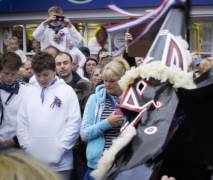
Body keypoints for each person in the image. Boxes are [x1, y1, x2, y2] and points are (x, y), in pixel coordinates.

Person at [16, 52, 81, 180]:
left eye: (46, 74)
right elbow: (21, 124)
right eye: (38, 75)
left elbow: (74, 123)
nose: (42, 79)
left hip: (61, 164)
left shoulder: (67, 91)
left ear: (54, 70)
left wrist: (59, 149)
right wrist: (29, 149)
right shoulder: (28, 92)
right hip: (34, 163)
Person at [80, 57, 129, 180]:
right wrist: (107, 123)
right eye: (105, 80)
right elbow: (84, 134)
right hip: (97, 166)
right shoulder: (94, 99)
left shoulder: (131, 100)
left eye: (112, 81)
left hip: (123, 165)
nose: (107, 84)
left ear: (122, 79)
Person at [0, 52, 26, 149]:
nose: (9, 78)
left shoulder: (26, 90)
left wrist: (16, 140)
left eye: (13, 74)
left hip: (17, 144)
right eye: (6, 73)